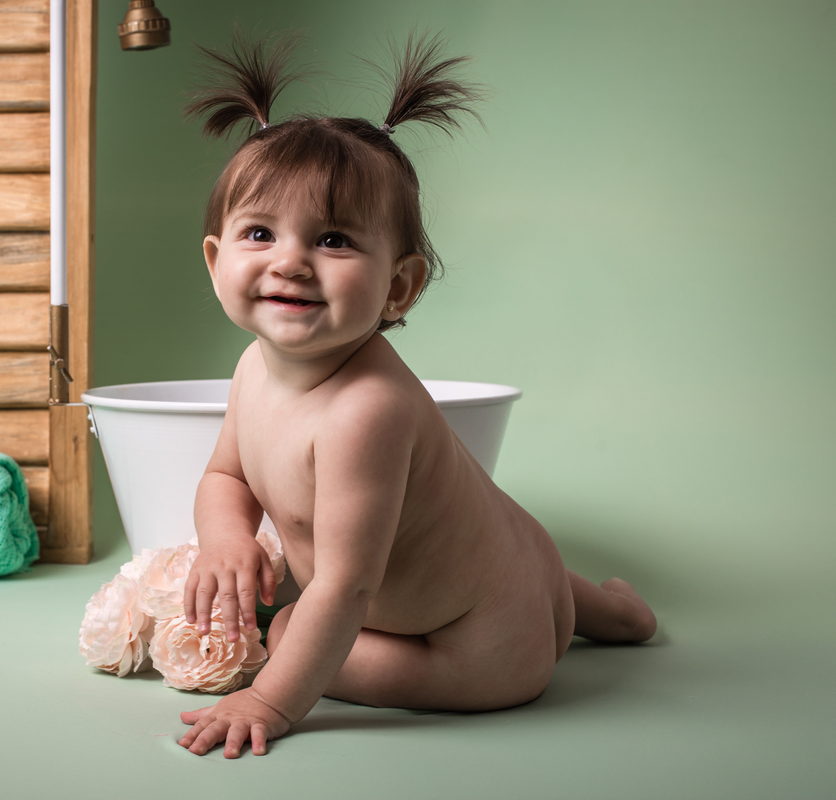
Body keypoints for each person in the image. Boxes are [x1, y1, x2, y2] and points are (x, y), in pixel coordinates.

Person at [175, 33, 657, 759]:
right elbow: (226, 475)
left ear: (399, 286)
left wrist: (272, 697)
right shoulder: (253, 367)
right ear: (217, 263)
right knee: (508, 544)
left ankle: (588, 620)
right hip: (526, 563)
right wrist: (225, 539)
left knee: (285, 629)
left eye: (333, 240)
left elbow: (342, 589)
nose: (291, 262)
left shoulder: (365, 410)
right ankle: (618, 615)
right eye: (260, 232)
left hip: (476, 648)